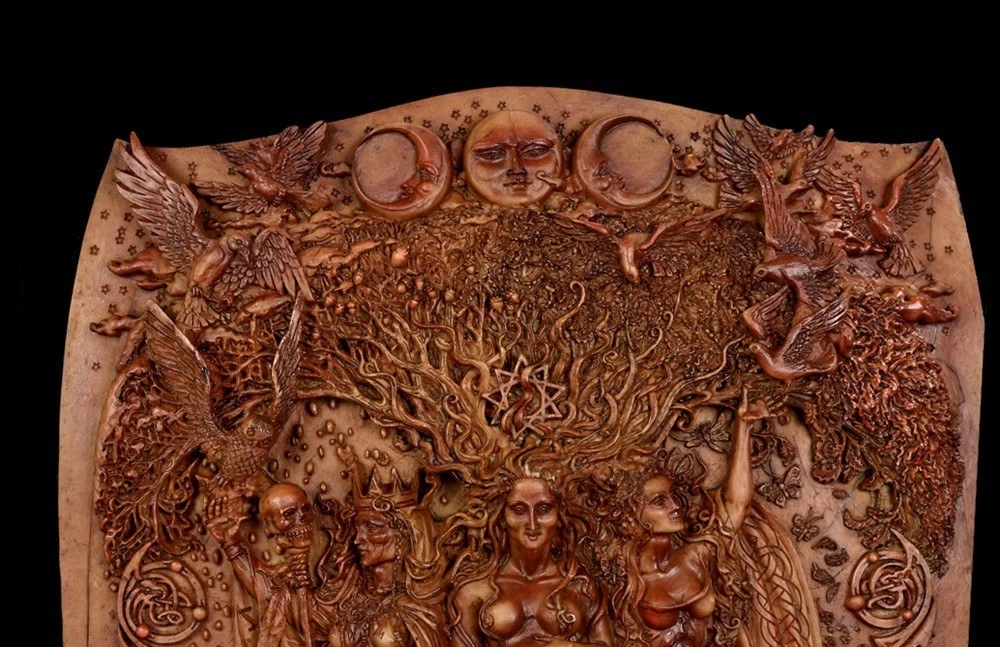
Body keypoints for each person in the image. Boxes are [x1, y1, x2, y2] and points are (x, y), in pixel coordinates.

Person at [449, 475, 613, 647]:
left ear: (559, 515)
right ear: (501, 516)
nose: (532, 524)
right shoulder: (474, 590)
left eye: (543, 509)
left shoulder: (580, 585)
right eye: (519, 510)